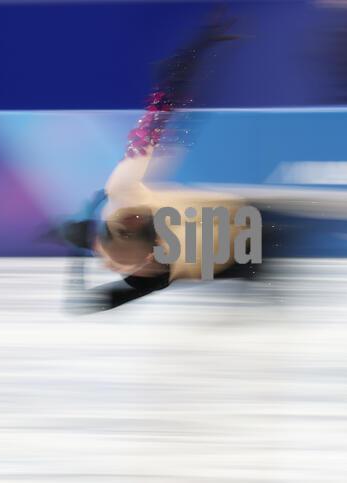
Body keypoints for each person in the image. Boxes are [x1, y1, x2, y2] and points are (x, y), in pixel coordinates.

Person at [60, 14, 263, 311]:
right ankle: (195, 53)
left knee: (173, 105)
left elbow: (138, 271)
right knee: (176, 107)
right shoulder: (130, 209)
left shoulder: (128, 193)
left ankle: (195, 52)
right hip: (151, 158)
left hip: (151, 148)